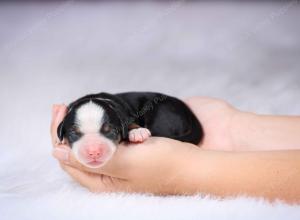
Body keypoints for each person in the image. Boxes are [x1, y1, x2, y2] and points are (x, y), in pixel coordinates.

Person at [50, 97, 300, 203]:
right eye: (75, 134)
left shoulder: (123, 117)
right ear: (64, 131)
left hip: (168, 114)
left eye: (108, 131)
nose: (92, 149)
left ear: (121, 126)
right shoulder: (93, 108)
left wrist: (183, 170)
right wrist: (231, 128)